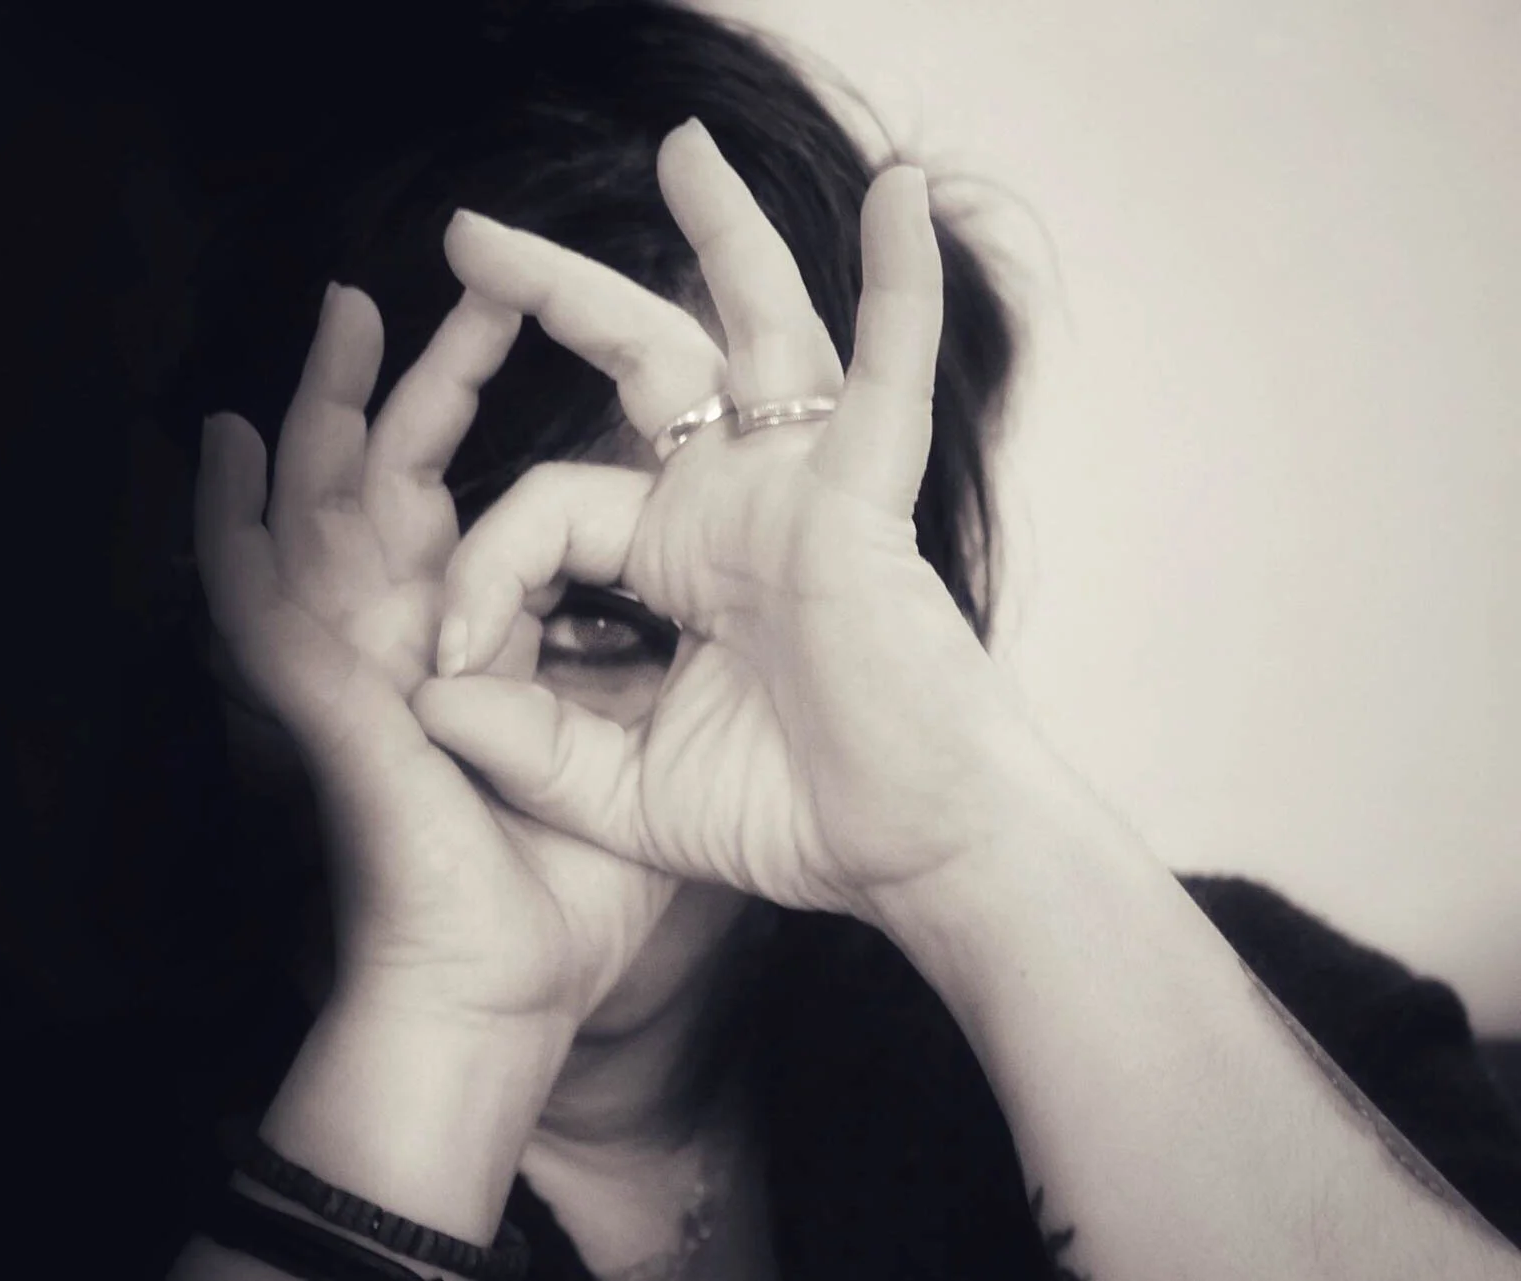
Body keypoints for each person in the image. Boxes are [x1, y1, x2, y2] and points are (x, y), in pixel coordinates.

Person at [171, 3, 1521, 1280]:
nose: (492, 696)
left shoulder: (1233, 1031)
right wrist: (455, 1025)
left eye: (605, 611)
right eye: (413, 581)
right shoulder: (23, 1157)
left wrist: (971, 843)